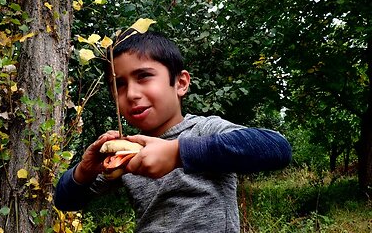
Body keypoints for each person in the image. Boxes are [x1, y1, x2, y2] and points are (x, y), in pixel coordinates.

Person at [54, 30, 292, 232]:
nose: (132, 94)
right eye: (120, 84)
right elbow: (65, 201)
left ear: (181, 83)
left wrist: (177, 153)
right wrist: (84, 171)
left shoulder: (203, 130)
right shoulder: (125, 154)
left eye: (144, 76)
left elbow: (276, 148)